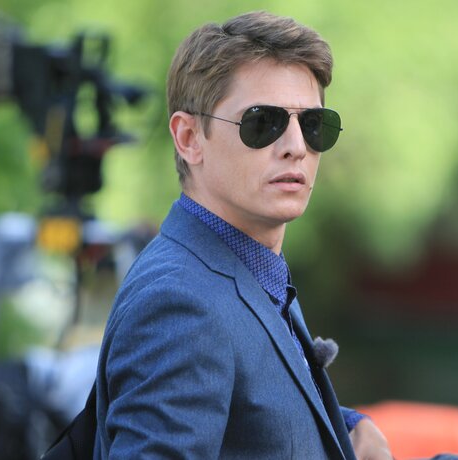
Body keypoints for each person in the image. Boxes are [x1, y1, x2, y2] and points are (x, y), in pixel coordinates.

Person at [94, 11, 393, 459]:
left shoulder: (247, 270)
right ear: (189, 138)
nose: (296, 146)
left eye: (313, 125)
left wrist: (344, 426)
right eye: (262, 123)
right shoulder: (179, 303)